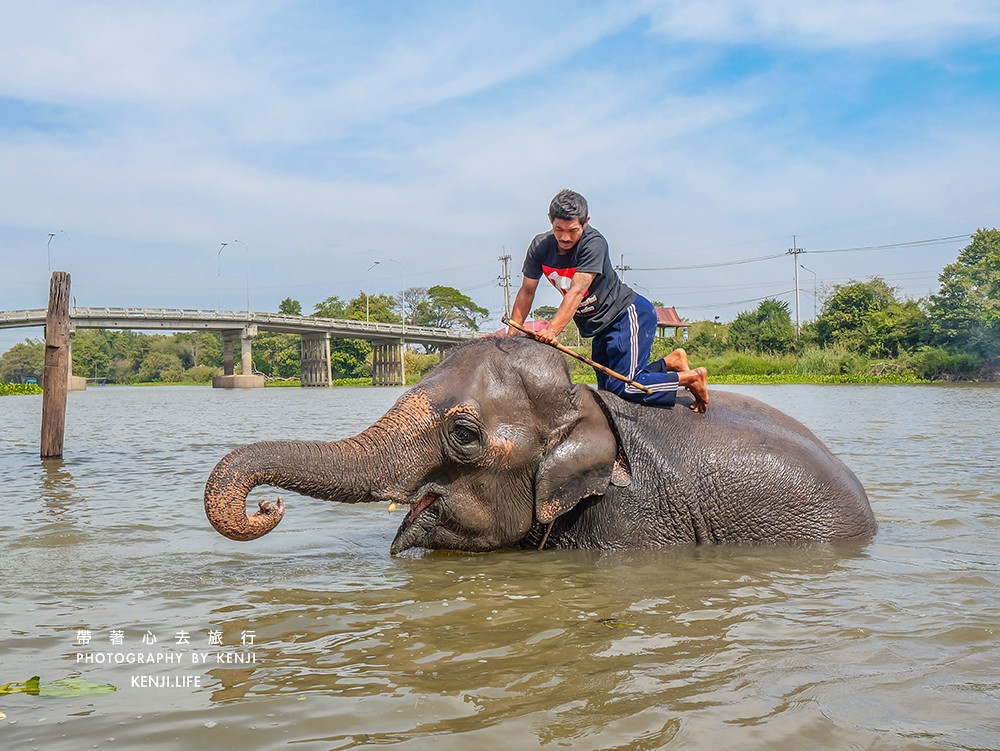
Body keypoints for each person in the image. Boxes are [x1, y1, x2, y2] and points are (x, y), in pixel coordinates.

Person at [508, 189, 709, 412]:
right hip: (600, 326)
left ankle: (691, 377)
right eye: (558, 230)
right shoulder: (540, 247)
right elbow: (527, 290)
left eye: (573, 231)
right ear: (549, 220)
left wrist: (552, 331)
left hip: (627, 314)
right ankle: (670, 362)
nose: (565, 237)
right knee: (608, 394)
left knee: (626, 389)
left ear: (585, 223)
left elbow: (577, 290)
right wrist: (512, 333)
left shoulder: (593, 244)